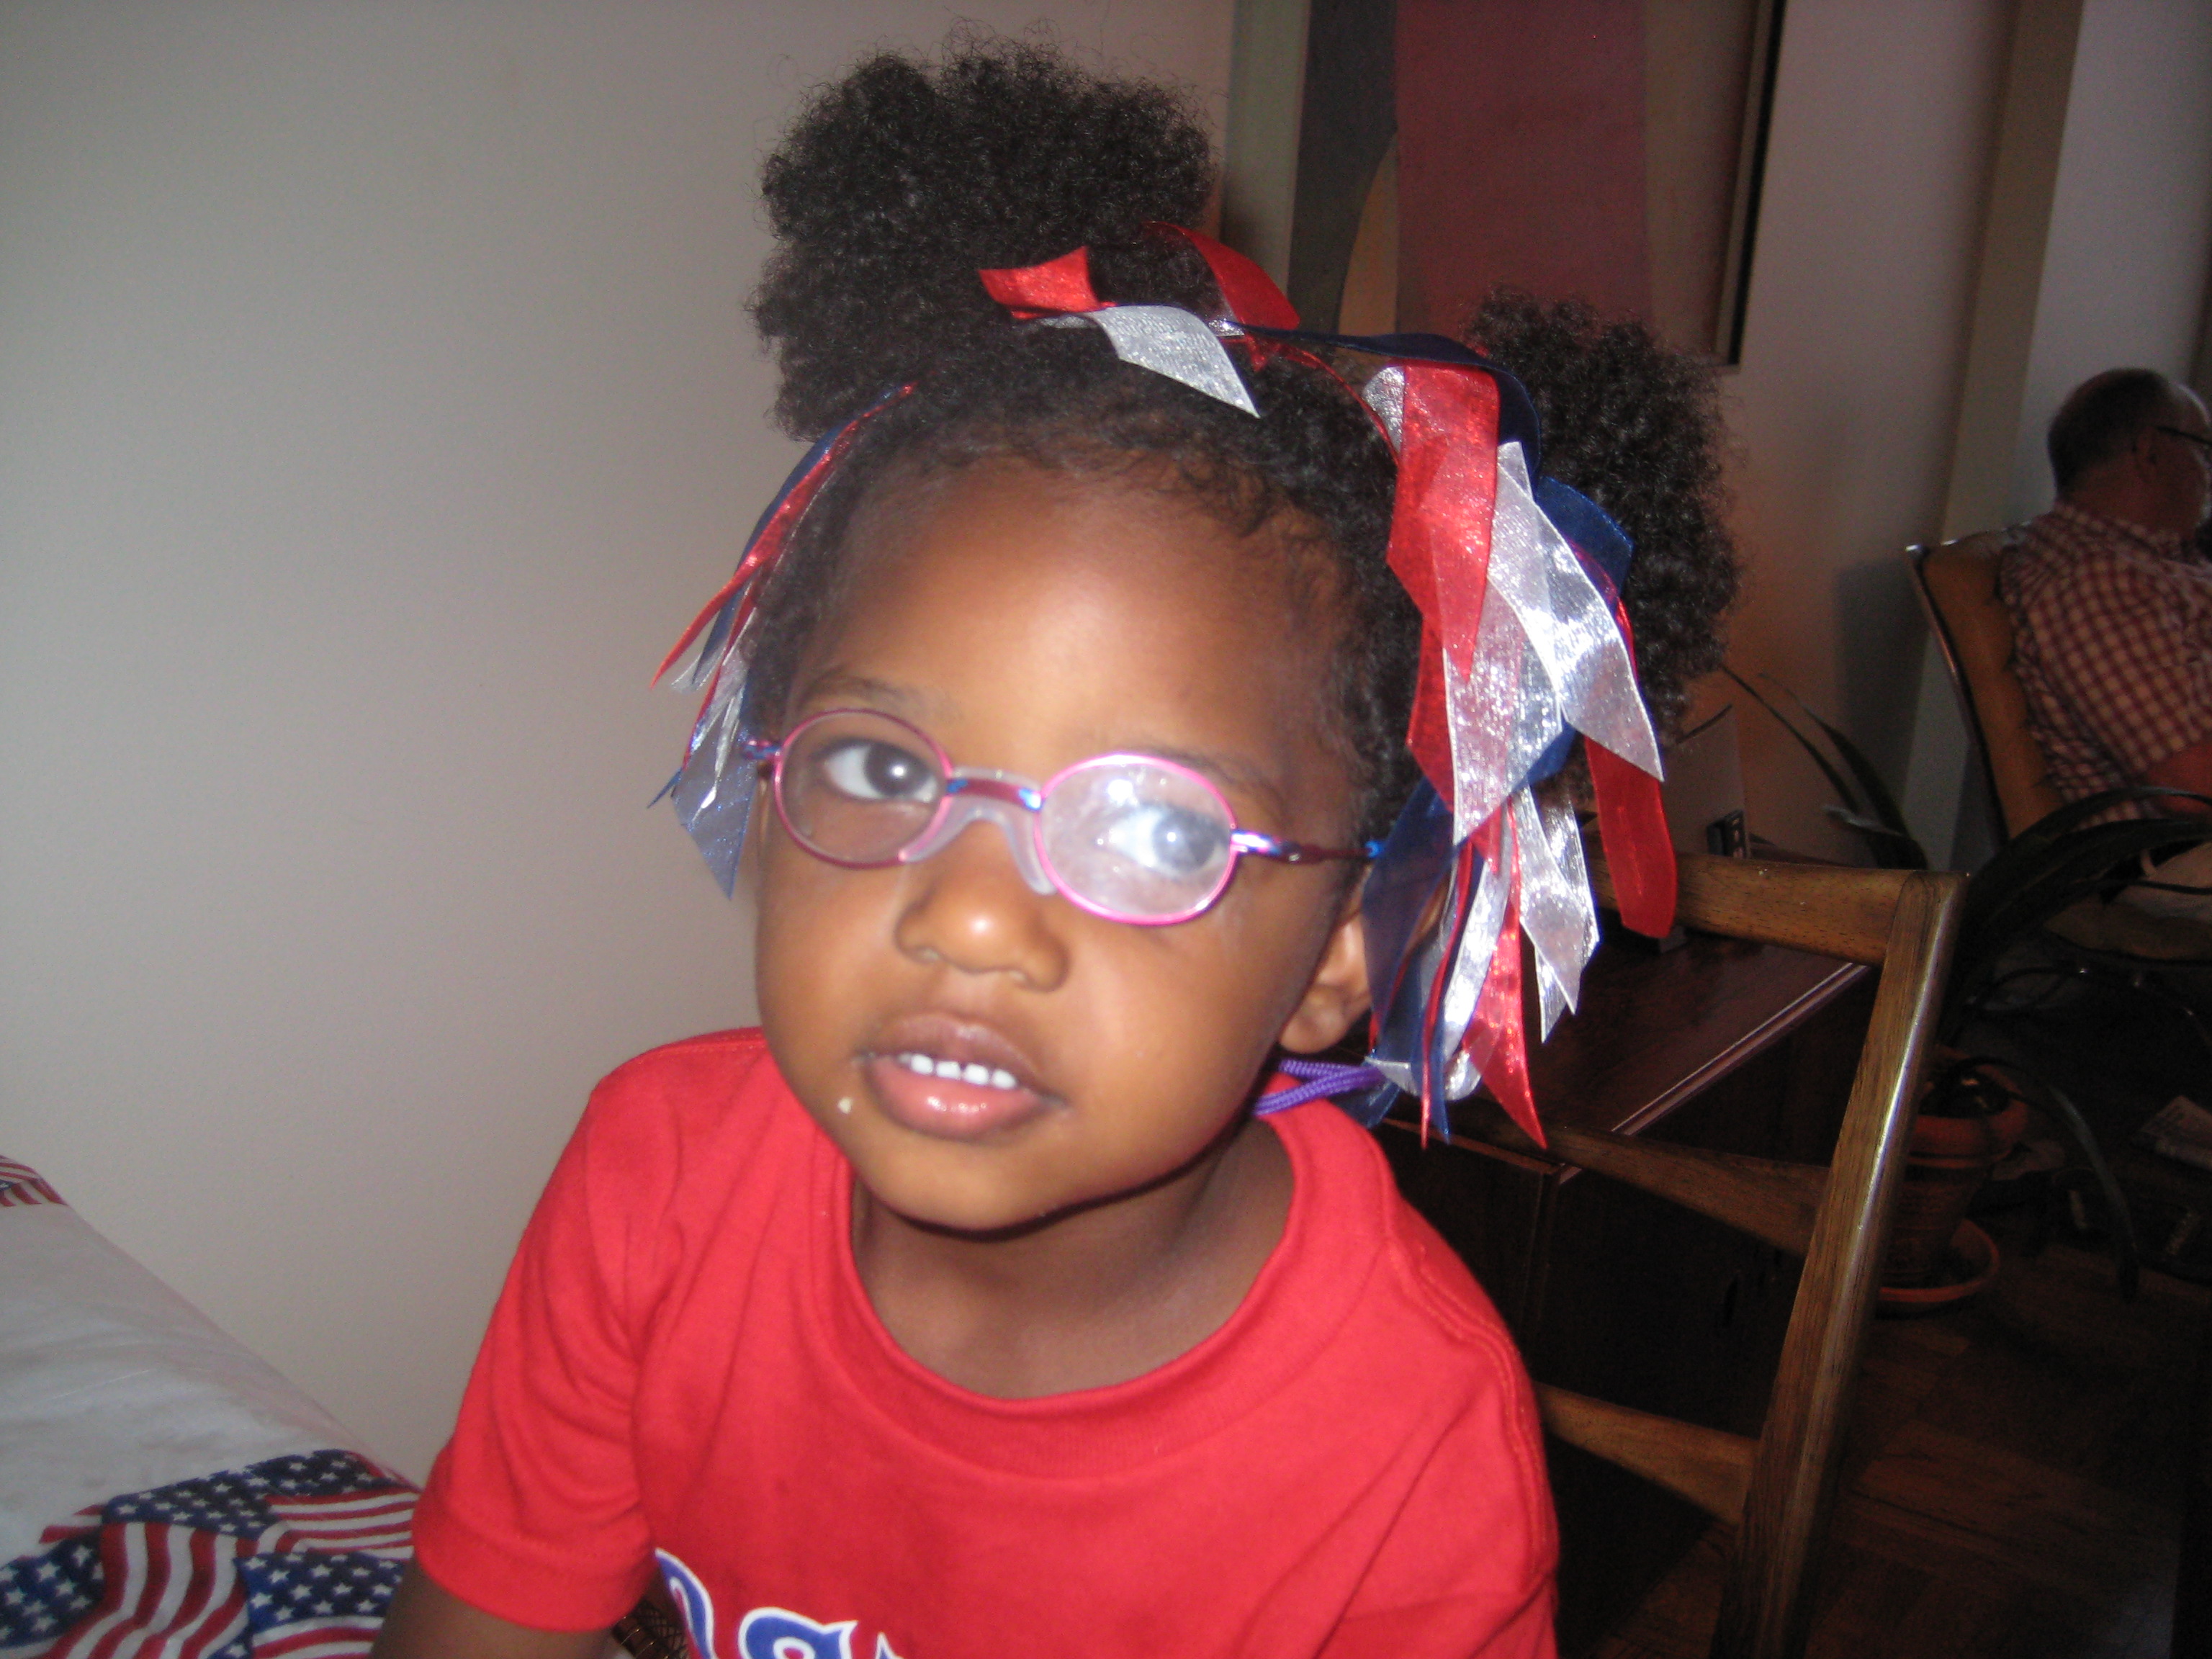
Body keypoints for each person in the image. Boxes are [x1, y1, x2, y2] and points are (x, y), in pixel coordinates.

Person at [369, 41, 1731, 1659]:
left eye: (1155, 825)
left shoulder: (1402, 1446)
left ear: (1344, 948)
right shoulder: (657, 1183)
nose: (966, 918)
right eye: (881, 766)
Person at [2001, 368, 2212, 917]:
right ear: (2150, 452)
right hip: (2170, 855)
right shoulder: (2100, 580)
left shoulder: (2154, 561)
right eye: (2204, 451)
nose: (2209, 474)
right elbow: (2190, 785)